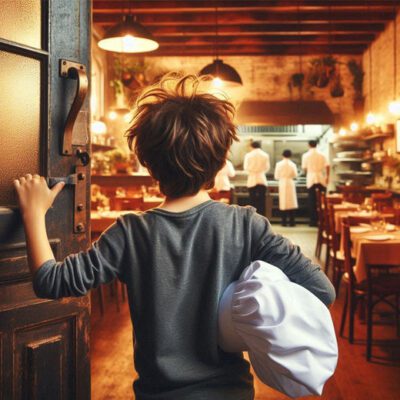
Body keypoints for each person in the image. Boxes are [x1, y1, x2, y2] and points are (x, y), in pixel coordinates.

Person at [14, 74, 335, 400]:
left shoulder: (130, 232)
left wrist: (33, 214)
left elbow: (50, 281)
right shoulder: (247, 225)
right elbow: (322, 289)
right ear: (222, 159)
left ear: (149, 163)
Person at [301, 140, 330, 227]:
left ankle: (313, 221)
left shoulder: (306, 155)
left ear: (308, 145)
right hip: (321, 179)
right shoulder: (322, 154)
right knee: (322, 202)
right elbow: (328, 166)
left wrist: (309, 172)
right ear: (317, 144)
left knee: (312, 202)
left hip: (311, 179)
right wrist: (327, 177)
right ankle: (322, 221)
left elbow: (304, 168)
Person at [243, 141, 270, 216]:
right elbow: (267, 168)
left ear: (252, 146)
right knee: (262, 201)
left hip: (252, 180)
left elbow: (246, 168)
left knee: (252, 201)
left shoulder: (248, 155)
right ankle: (262, 219)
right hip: (262, 179)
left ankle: (253, 219)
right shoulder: (265, 155)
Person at [274, 149, 298, 227]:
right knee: (291, 202)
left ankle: (283, 222)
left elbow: (276, 176)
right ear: (290, 155)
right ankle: (292, 222)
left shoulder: (279, 164)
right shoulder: (293, 164)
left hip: (282, 183)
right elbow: (295, 175)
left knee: (283, 202)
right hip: (290, 182)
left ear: (282, 155)